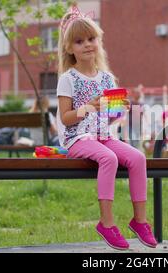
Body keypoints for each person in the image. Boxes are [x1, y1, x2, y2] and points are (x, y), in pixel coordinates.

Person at [56, 8, 157, 250]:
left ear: (98, 41)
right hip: (76, 138)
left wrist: (118, 111)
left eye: (91, 39)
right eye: (79, 42)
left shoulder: (107, 79)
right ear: (69, 48)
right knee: (108, 158)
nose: (87, 45)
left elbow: (107, 120)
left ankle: (140, 221)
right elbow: (67, 118)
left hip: (102, 135)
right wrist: (89, 107)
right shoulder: (68, 79)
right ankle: (107, 223)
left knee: (138, 157)